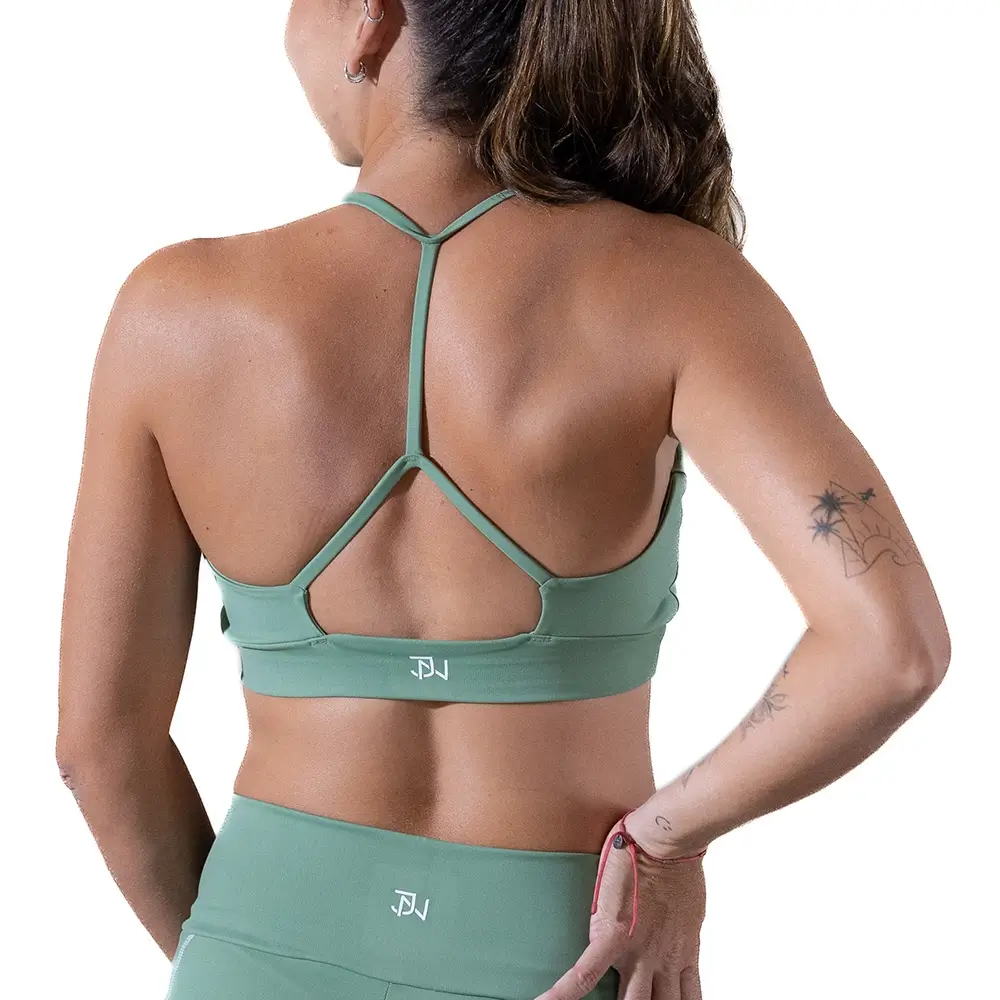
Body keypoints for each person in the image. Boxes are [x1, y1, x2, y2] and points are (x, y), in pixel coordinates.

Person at [55, 2, 951, 999]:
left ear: (372, 20)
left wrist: (240, 954)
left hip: (255, 948)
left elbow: (100, 748)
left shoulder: (172, 312)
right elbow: (889, 647)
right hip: (558, 957)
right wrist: (665, 837)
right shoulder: (676, 288)